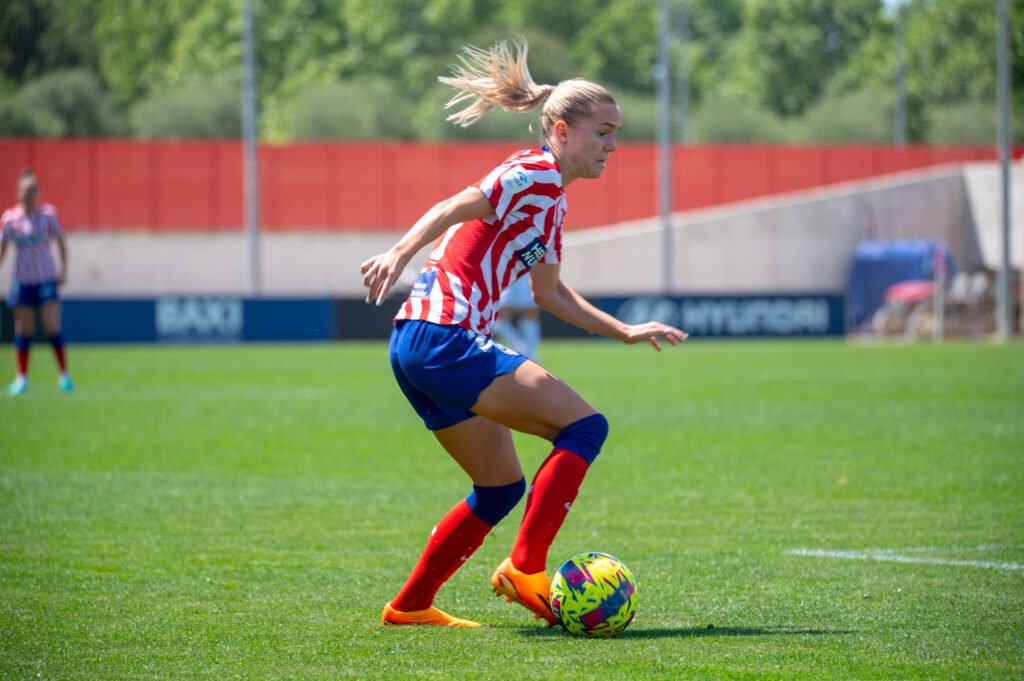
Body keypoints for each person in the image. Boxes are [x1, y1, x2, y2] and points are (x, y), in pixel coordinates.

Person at [360, 38, 687, 629]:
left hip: (417, 344)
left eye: (616, 133)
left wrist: (625, 331)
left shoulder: (552, 202)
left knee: (499, 487)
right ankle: (525, 568)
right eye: (604, 132)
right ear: (561, 130)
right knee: (585, 426)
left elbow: (550, 294)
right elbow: (454, 205)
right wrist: (399, 250)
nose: (614, 146)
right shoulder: (533, 171)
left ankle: (409, 607)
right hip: (444, 334)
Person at [0, 168, 74, 396]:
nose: (29, 194)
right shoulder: (10, 219)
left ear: (38, 192)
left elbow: (61, 242)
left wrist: (63, 272)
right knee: (23, 330)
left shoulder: (48, 215)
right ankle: (22, 378)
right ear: (17, 192)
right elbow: (2, 250)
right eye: (25, 190)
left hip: (46, 280)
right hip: (22, 281)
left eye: (33, 190)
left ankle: (64, 376)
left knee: (52, 326)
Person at [493, 275, 542, 360]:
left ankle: (531, 354)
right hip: (508, 273)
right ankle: (518, 345)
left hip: (527, 273)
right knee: (499, 316)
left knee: (529, 312)